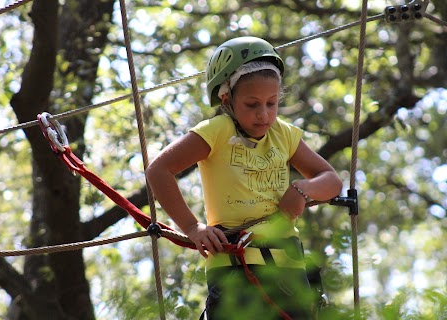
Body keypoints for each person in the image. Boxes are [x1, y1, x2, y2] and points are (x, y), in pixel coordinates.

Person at [146, 36, 343, 320]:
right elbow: (158, 170)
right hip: (232, 266)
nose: (263, 114)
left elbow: (331, 179)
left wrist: (303, 189)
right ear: (227, 98)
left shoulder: (284, 134)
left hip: (287, 270)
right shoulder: (217, 131)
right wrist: (192, 227)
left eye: (272, 103)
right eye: (252, 104)